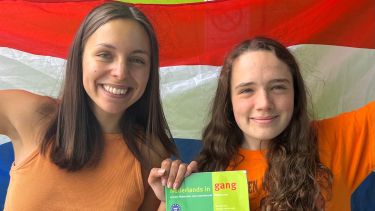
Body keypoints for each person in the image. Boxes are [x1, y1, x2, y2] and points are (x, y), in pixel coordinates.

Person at [0, 2, 191, 210]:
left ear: (150, 72)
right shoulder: (29, 113)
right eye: (105, 55)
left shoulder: (151, 152)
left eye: (137, 60)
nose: (120, 72)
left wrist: (171, 200)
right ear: (80, 57)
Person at [191, 37, 374, 210]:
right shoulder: (206, 173)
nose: (264, 103)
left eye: (278, 87)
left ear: (295, 93)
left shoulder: (336, 139)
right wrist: (170, 199)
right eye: (247, 90)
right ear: (229, 101)